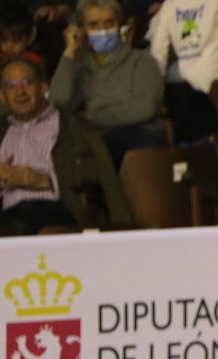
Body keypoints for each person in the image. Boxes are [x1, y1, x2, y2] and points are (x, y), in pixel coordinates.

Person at [0, 56, 130, 234]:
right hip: (8, 213)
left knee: (24, 219)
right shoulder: (3, 131)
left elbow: (98, 173)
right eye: (11, 86)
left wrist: (43, 180)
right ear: (2, 95)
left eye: (27, 82)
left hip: (55, 208)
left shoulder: (71, 125)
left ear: (44, 87)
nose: (20, 92)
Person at [49, 0, 166, 169]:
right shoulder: (77, 67)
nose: (103, 30)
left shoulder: (142, 61)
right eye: (94, 25)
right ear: (81, 29)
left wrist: (91, 116)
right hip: (95, 141)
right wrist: (70, 52)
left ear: (119, 24)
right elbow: (58, 101)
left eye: (109, 23)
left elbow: (144, 109)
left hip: (140, 136)